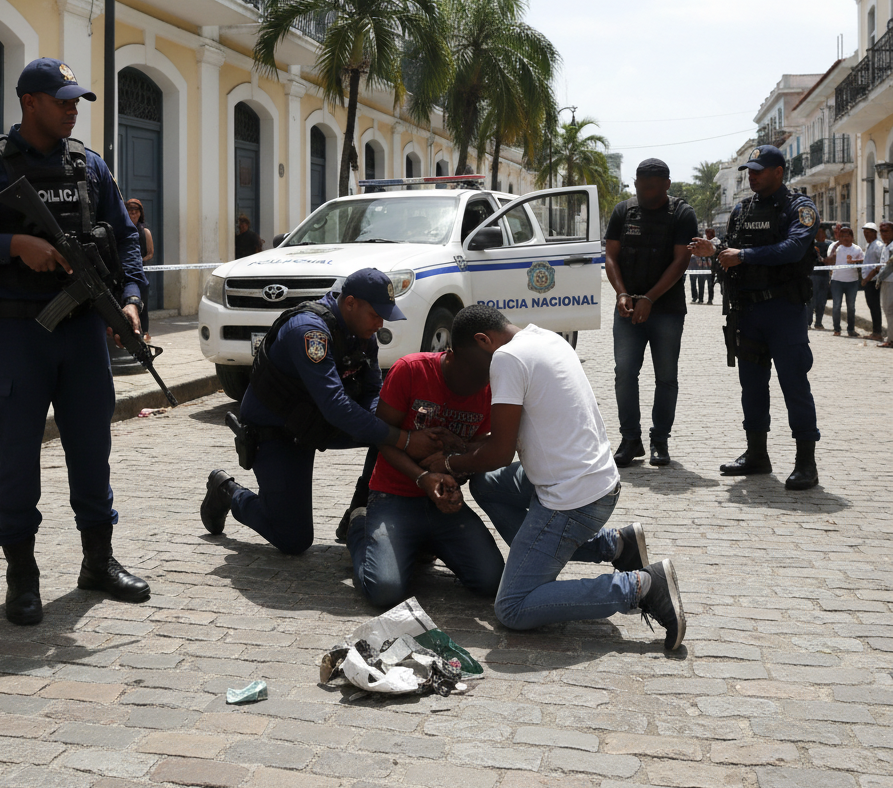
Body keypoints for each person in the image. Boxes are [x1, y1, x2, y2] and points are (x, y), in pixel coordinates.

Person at [0, 58, 151, 625]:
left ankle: (97, 562)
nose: (73, 109)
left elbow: (127, 239)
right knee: (19, 454)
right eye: (63, 100)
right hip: (18, 332)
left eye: (77, 100)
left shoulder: (90, 167)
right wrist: (12, 246)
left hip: (81, 332)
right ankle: (21, 575)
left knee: (90, 448)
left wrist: (129, 297)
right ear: (30, 102)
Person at [411, 305, 685, 652]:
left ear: (483, 340)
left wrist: (448, 463)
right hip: (596, 479)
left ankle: (642, 586)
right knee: (487, 484)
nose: (476, 374)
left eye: (470, 360)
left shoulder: (506, 358)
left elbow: (499, 454)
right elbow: (507, 440)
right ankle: (618, 544)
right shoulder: (546, 338)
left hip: (573, 500)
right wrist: (466, 450)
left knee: (512, 607)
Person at [201, 268, 447, 554]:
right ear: (350, 303)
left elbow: (372, 396)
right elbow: (336, 406)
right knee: (293, 539)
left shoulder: (362, 332)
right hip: (278, 434)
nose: (380, 323)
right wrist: (402, 439)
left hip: (318, 423)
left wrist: (403, 431)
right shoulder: (309, 332)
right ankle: (227, 492)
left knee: (396, 426)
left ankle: (359, 515)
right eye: (375, 314)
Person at [689, 144, 820, 490]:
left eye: (760, 170)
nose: (753, 175)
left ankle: (806, 462)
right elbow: (730, 251)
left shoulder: (799, 207)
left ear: (779, 172)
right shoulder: (742, 210)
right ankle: (757, 455)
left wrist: (743, 255)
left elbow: (794, 247)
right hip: (747, 311)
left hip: (784, 309)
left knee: (794, 383)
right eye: (750, 170)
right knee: (752, 386)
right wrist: (714, 251)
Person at [345, 343, 504, 607]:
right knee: (385, 592)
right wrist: (422, 477)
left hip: (442, 508)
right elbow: (381, 437)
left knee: (490, 581)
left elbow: (480, 447)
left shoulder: (489, 388)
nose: (477, 385)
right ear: (451, 354)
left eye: (484, 377)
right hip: (393, 497)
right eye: (472, 374)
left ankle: (424, 544)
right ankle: (360, 526)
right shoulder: (410, 370)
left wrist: (455, 469)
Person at [604, 158, 698, 468]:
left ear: (667, 185)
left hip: (667, 310)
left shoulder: (682, 214)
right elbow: (611, 256)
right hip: (627, 309)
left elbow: (681, 261)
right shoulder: (623, 211)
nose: (645, 194)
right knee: (625, 375)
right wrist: (622, 293)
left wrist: (650, 298)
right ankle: (630, 440)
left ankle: (660, 440)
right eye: (640, 187)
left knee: (666, 378)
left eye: (652, 189)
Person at [825, 225, 863, 338]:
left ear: (852, 237)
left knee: (851, 306)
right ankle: (837, 329)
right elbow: (829, 261)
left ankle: (851, 329)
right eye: (842, 236)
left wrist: (854, 261)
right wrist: (836, 247)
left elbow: (863, 261)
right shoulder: (834, 247)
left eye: (847, 236)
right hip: (837, 281)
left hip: (852, 281)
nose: (844, 238)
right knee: (836, 306)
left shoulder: (857, 249)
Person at [125, 198, 154, 342]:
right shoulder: (122, 230)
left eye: (135, 213)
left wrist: (139, 261)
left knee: (144, 302)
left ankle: (146, 331)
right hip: (126, 272)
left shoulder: (145, 232)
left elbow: (150, 253)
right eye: (130, 213)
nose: (133, 216)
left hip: (141, 273)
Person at [860, 222, 884, 340]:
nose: (866, 236)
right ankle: (875, 331)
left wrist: (867, 278)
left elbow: (880, 265)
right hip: (869, 281)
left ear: (875, 233)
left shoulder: (878, 245)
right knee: (872, 306)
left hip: (873, 281)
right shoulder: (870, 245)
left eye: (868, 233)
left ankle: (877, 332)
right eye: (864, 233)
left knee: (874, 306)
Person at [808, 225, 830, 330]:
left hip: (824, 276)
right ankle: (808, 323)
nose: (821, 235)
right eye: (818, 233)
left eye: (822, 233)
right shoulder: (811, 246)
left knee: (822, 301)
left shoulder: (829, 246)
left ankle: (819, 323)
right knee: (812, 300)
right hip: (813, 275)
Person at [875, 220, 893, 347]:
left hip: (890, 282)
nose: (883, 234)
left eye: (886, 231)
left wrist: (879, 278)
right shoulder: (886, 246)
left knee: (889, 311)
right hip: (888, 281)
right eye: (881, 231)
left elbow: (889, 267)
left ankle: (890, 340)